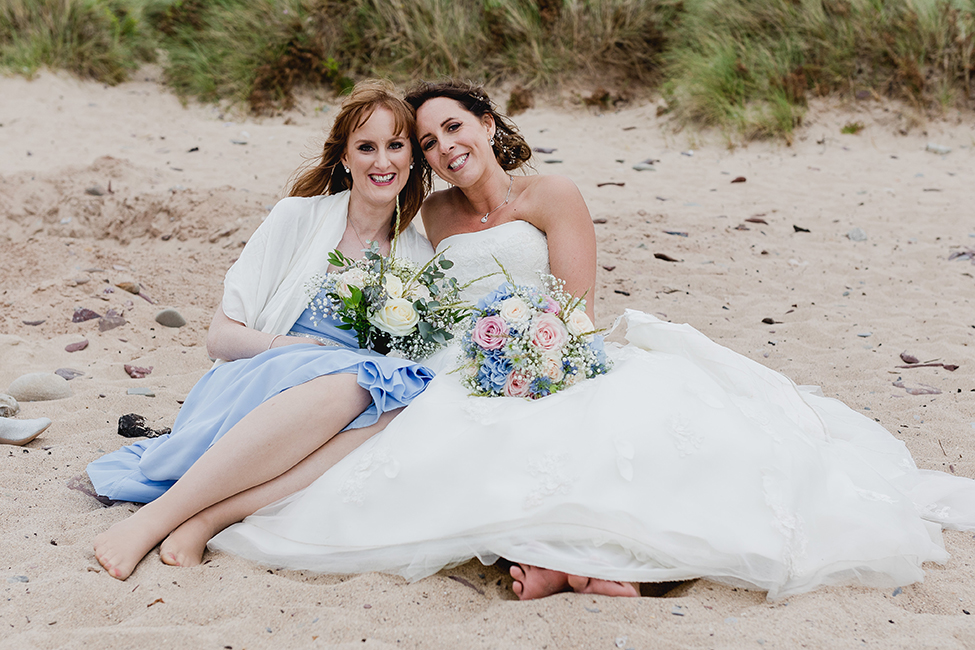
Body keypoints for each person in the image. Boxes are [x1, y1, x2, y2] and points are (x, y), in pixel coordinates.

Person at [209, 81, 975, 602]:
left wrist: (536, 355)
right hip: (464, 360)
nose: (443, 148)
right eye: (428, 139)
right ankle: (540, 559)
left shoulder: (552, 194)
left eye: (453, 128)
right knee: (453, 451)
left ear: (487, 126)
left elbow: (577, 304)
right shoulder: (429, 218)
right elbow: (407, 297)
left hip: (556, 349)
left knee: (612, 436)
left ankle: (596, 564)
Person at [87, 80, 436, 580]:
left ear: (410, 157)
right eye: (366, 147)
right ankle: (154, 520)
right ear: (343, 158)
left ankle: (209, 517)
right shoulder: (297, 218)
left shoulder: (419, 256)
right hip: (261, 379)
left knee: (400, 399)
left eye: (395, 146)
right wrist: (290, 346)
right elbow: (220, 337)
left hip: (336, 411)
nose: (382, 161)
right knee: (365, 379)